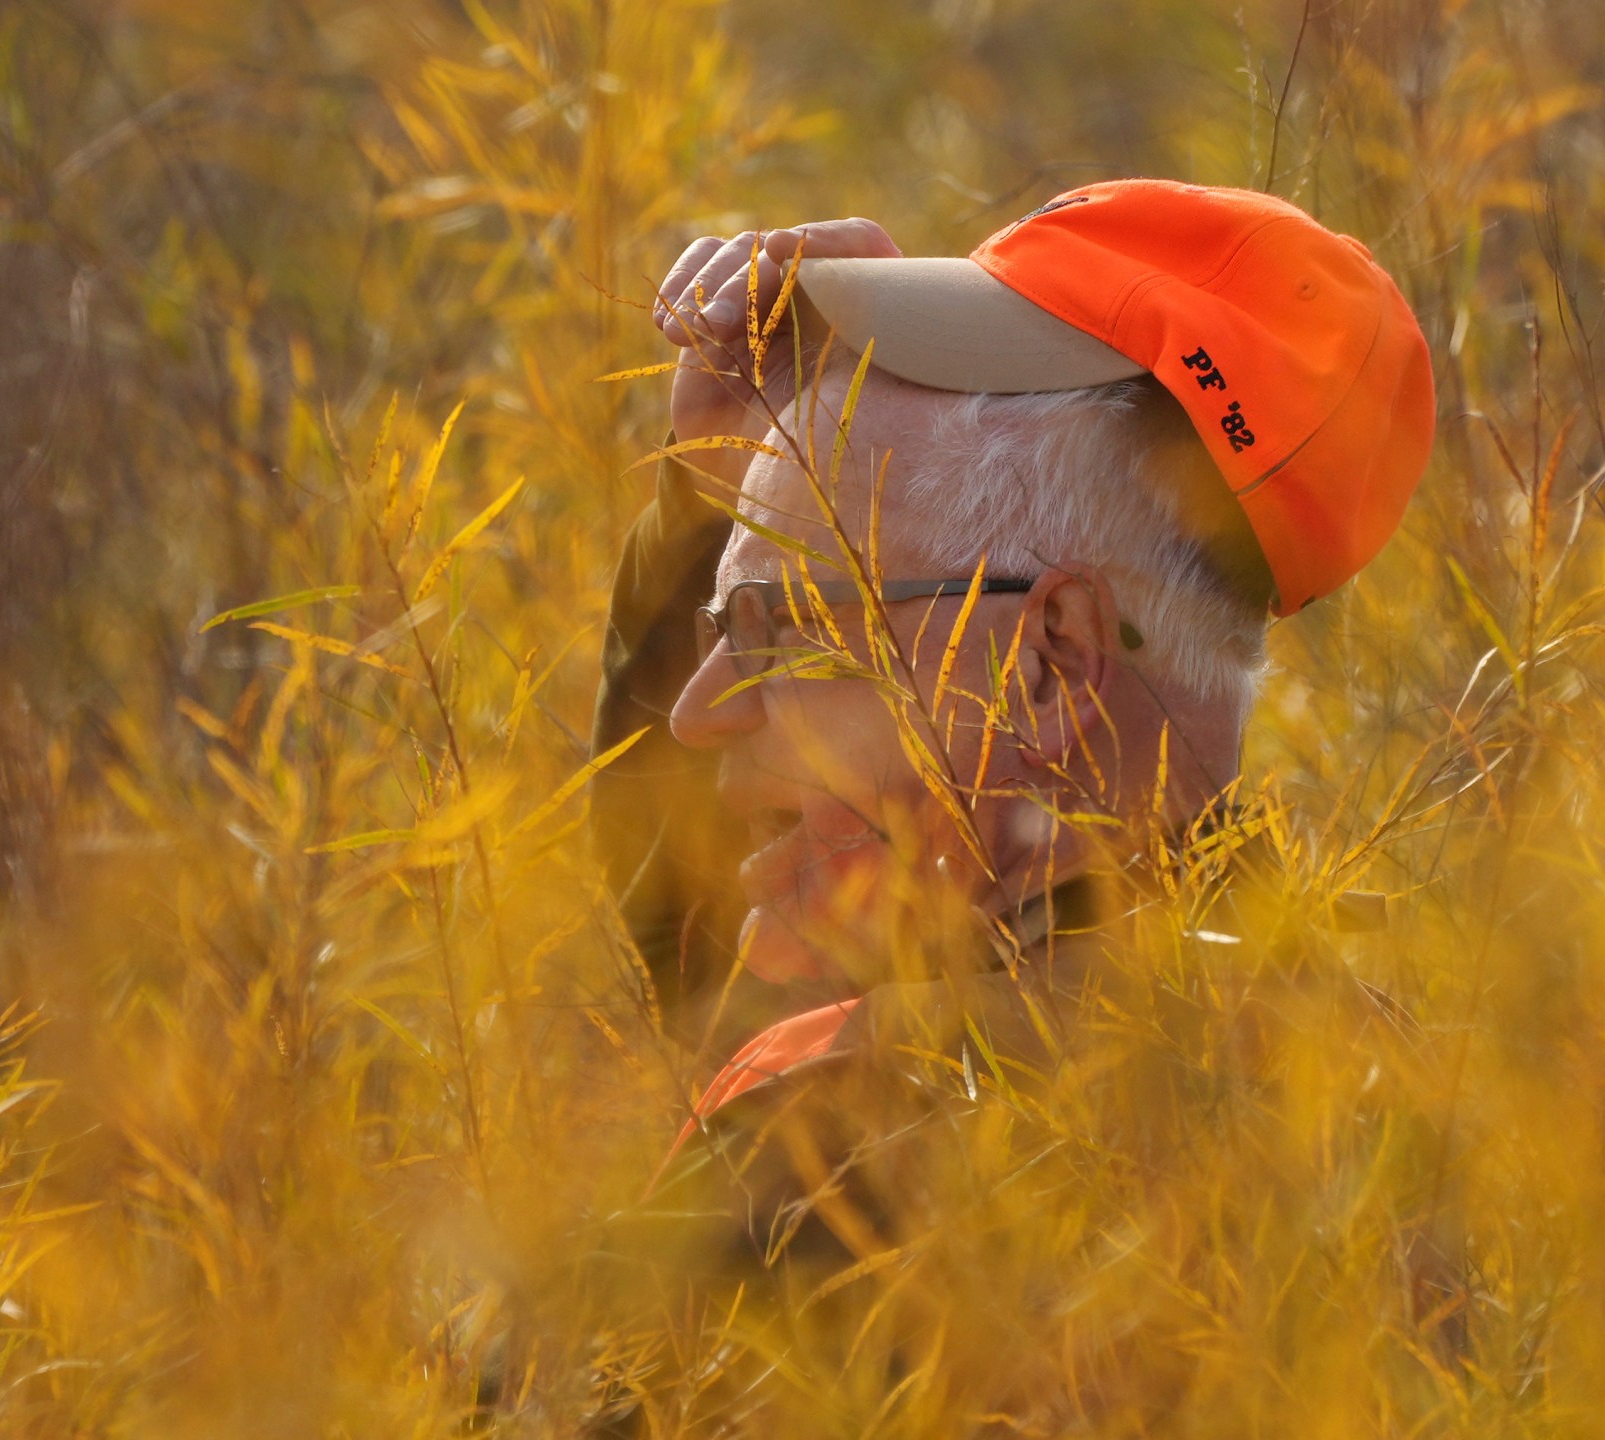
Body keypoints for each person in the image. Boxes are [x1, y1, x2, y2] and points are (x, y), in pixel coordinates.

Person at [591, 181, 1435, 1258]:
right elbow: (718, 980)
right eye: (720, 622)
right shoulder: (1406, 1100)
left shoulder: (835, 1163)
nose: (700, 714)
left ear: (1051, 665)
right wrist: (712, 509)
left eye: (790, 628)